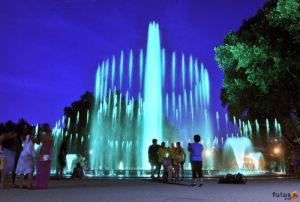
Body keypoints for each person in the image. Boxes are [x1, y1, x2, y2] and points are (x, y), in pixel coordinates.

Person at [32, 124, 54, 189]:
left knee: (40, 167)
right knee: (46, 168)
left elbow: (38, 142)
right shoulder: (52, 137)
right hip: (48, 153)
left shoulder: (43, 136)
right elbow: (52, 146)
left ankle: (40, 184)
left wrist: (33, 137)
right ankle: (44, 184)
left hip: (44, 153)